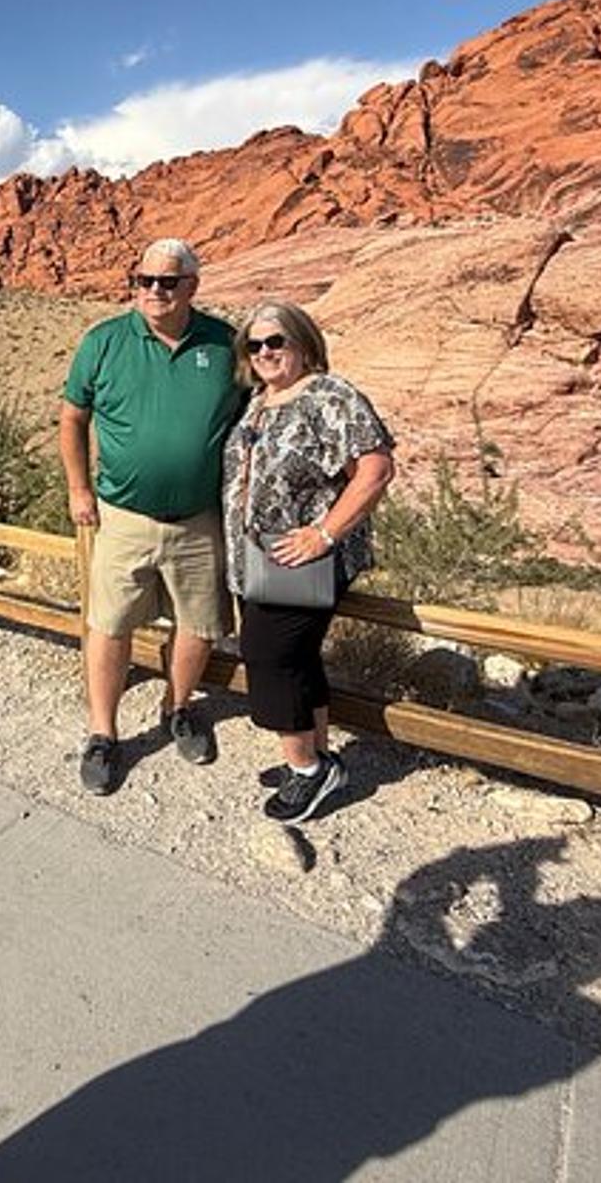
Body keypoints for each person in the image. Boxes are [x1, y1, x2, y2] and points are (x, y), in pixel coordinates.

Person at [60, 238, 246, 794]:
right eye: (145, 280)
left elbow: (260, 409)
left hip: (199, 519)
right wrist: (78, 489)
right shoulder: (104, 341)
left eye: (168, 281)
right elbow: (72, 418)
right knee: (109, 624)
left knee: (199, 624)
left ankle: (178, 707)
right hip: (122, 516)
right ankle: (103, 734)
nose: (155, 291)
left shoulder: (224, 343)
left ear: (193, 286)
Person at [222, 300, 395, 824]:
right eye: (254, 344)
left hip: (305, 559)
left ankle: (307, 769)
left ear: (303, 343)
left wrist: (324, 534)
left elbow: (375, 470)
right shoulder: (258, 401)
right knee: (296, 658)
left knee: (268, 656)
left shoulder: (329, 396)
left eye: (276, 341)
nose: (265, 352)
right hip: (262, 559)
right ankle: (317, 755)